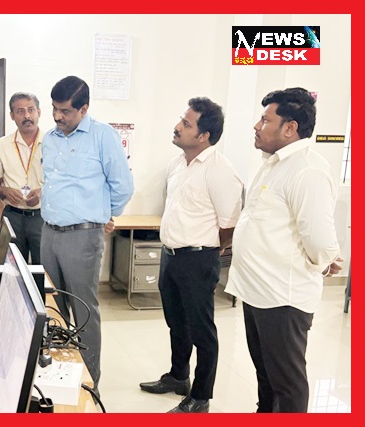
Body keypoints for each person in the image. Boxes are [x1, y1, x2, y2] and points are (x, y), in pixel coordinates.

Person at [225, 88, 342, 413]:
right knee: (266, 375)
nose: (256, 126)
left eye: (265, 120)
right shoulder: (274, 164)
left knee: (288, 383)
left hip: (283, 297)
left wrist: (326, 260)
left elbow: (319, 239)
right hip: (257, 291)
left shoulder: (308, 169)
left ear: (290, 128)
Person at [139, 97, 243, 413]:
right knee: (177, 322)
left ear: (204, 136)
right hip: (171, 256)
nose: (177, 127)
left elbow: (230, 224)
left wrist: (211, 249)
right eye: (181, 120)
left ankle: (200, 396)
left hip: (199, 259)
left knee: (202, 330)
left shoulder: (220, 170)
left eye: (186, 124)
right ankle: (178, 376)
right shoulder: (177, 164)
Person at [41, 76, 134, 390]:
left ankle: (89, 380)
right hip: (49, 233)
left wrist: (105, 215)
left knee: (82, 310)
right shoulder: (50, 138)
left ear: (84, 109)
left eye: (65, 111)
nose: (58, 116)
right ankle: (59, 373)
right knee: (53, 308)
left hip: (81, 237)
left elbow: (123, 186)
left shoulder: (102, 136)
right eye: (54, 109)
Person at [0, 92, 44, 264]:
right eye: (20, 111)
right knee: (13, 270)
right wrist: (5, 191)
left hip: (43, 217)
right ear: (12, 116)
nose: (27, 116)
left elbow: (63, 183)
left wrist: (42, 192)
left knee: (44, 268)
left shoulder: (52, 143)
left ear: (39, 112)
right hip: (13, 216)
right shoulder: (2, 145)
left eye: (31, 110)